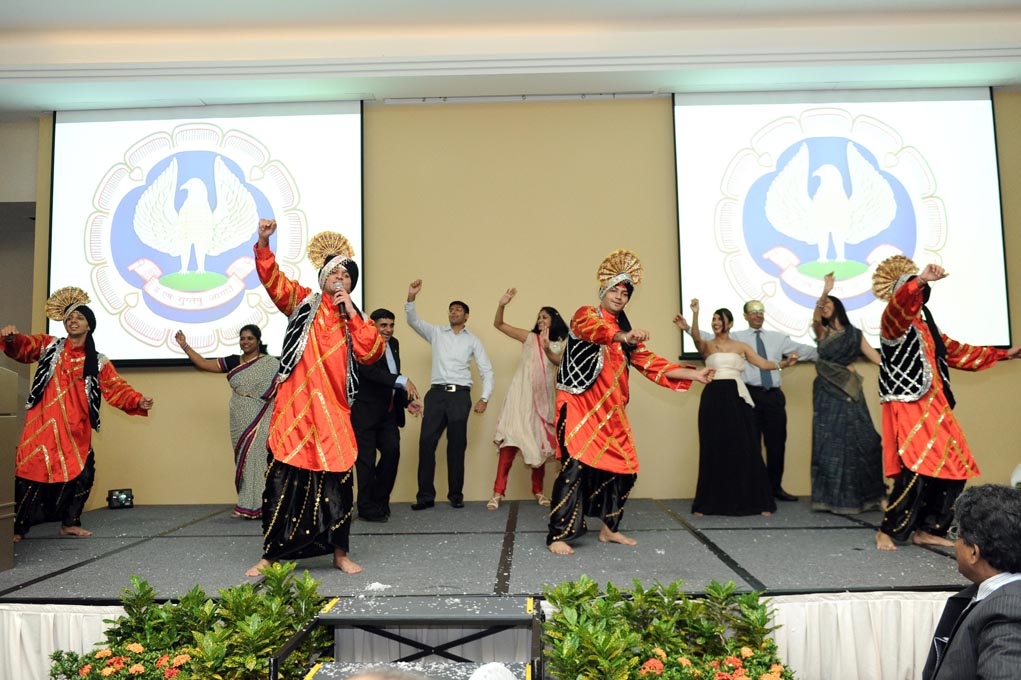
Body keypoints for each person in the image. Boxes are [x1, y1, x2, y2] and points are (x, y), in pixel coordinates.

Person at [546, 250, 713, 555]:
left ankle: (609, 529)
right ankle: (559, 534)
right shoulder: (586, 315)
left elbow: (653, 364)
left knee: (625, 469)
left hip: (611, 413)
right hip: (579, 407)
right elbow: (597, 331)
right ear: (603, 291)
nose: (619, 296)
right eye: (615, 290)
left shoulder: (626, 336)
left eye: (625, 293)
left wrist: (695, 373)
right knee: (574, 467)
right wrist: (623, 335)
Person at [246, 219, 384, 577]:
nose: (340, 279)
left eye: (347, 276)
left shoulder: (356, 319)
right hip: (295, 411)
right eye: (335, 273)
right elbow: (273, 280)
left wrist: (351, 311)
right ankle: (270, 556)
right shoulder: (302, 302)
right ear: (322, 276)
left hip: (333, 416)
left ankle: (339, 554)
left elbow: (371, 352)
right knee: (281, 485)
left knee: (337, 488)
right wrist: (263, 243)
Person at [871, 256, 1021, 551]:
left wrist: (1005, 354)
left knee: (956, 465)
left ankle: (928, 529)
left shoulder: (928, 330)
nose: (918, 297)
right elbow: (897, 308)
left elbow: (961, 353)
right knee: (916, 467)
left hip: (936, 405)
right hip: (909, 404)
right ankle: (887, 530)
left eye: (922, 292)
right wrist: (920, 280)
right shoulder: (893, 326)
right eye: (915, 292)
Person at [2, 287, 154, 542]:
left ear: (89, 326)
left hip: (75, 429)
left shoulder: (98, 361)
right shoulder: (49, 346)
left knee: (83, 475)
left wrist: (137, 400)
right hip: (42, 425)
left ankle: (70, 523)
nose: (73, 321)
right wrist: (11, 339)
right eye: (70, 318)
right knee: (30, 475)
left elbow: (116, 388)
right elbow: (24, 347)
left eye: (80, 318)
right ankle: (18, 528)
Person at [675, 299, 816, 501]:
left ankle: (770, 489)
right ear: (745, 316)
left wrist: (785, 364)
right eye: (713, 319)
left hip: (755, 396)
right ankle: (736, 491)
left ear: (730, 323)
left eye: (761, 310)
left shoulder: (754, 342)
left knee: (769, 443)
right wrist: (693, 317)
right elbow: (700, 338)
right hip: (728, 395)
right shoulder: (718, 342)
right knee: (734, 444)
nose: (716, 322)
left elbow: (765, 363)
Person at [405, 280, 494, 510]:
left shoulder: (473, 340)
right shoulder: (436, 333)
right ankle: (425, 496)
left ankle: (455, 495)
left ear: (466, 316)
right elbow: (413, 321)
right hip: (436, 394)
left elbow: (486, 370)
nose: (454, 312)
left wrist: (484, 397)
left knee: (456, 446)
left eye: (458, 310)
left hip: (459, 396)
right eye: (451, 309)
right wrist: (412, 296)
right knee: (426, 443)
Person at [175, 325, 279, 520]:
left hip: (262, 415)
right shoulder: (233, 361)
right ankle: (247, 502)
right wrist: (185, 346)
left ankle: (256, 505)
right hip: (239, 416)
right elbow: (204, 364)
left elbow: (280, 388)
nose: (245, 342)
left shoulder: (271, 363)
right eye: (242, 338)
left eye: (250, 338)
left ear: (258, 341)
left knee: (257, 457)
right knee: (243, 459)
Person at [921, 484, 1021, 680]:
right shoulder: (992, 594)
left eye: (957, 534)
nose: (954, 544)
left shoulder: (1009, 611)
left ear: (973, 552)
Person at [809, 273, 885, 515]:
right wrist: (825, 291)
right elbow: (815, 317)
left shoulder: (854, 334)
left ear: (838, 308)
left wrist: (898, 368)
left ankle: (871, 496)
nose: (824, 307)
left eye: (828, 304)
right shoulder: (822, 333)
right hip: (827, 393)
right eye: (822, 305)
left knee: (864, 441)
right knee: (830, 444)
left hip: (850, 393)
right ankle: (832, 499)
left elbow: (875, 358)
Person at [487, 288, 568, 510]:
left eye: (545, 317)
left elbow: (559, 363)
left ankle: (538, 491)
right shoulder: (530, 337)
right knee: (509, 443)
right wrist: (502, 304)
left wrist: (547, 348)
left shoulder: (562, 344)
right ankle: (497, 493)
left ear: (554, 320)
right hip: (520, 399)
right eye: (539, 317)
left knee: (537, 445)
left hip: (544, 401)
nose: (540, 320)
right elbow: (499, 324)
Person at [352, 308, 422, 523]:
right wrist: (403, 380)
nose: (388, 330)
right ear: (372, 326)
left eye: (391, 325)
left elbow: (391, 376)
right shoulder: (363, 344)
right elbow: (371, 373)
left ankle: (379, 501)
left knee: (392, 453)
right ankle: (366, 507)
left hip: (389, 413)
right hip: (365, 413)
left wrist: (407, 402)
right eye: (383, 325)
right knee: (366, 463)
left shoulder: (394, 344)